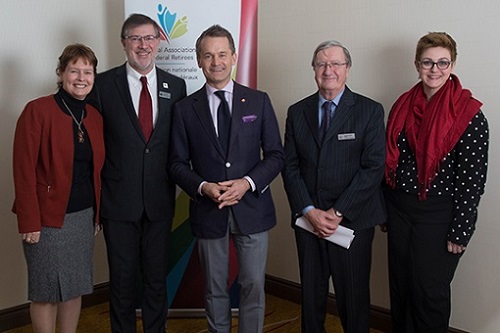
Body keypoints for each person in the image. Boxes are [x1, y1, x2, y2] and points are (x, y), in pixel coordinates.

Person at [168, 25, 284, 333]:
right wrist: (203, 187)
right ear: (198, 60)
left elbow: (275, 155)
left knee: (253, 286)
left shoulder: (258, 101)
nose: (215, 61)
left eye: (222, 54)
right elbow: (176, 164)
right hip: (209, 210)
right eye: (208, 55)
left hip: (253, 210)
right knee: (215, 288)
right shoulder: (184, 109)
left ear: (234, 57)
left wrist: (246, 182)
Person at [384, 32, 489, 332]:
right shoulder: (402, 105)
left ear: (453, 65)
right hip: (400, 210)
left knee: (429, 292)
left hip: (439, 215)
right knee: (402, 287)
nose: (435, 70)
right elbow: (390, 161)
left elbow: (472, 180)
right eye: (428, 62)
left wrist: (461, 229)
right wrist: (386, 211)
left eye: (443, 63)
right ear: (417, 64)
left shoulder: (469, 115)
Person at [281, 40, 386, 333]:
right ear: (314, 69)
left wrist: (337, 212)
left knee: (353, 301)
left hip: (352, 222)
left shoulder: (370, 110)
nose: (329, 70)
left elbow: (373, 167)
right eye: (322, 64)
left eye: (336, 63)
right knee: (311, 299)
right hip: (309, 222)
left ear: (347, 69)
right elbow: (289, 166)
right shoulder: (297, 111)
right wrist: (310, 210)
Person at [93, 13, 186, 333]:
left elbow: (179, 144)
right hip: (118, 203)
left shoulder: (176, 86)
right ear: (124, 44)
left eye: (149, 38)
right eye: (135, 38)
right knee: (120, 283)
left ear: (159, 42)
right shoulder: (102, 85)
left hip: (160, 202)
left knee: (156, 280)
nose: (143, 45)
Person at [12, 43, 104, 333]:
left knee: (75, 288)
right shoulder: (37, 110)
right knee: (46, 292)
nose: (81, 77)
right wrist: (29, 220)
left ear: (93, 76)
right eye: (74, 70)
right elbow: (23, 169)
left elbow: (95, 171)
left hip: (82, 217)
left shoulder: (94, 117)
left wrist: (96, 216)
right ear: (61, 73)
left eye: (87, 71)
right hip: (46, 219)